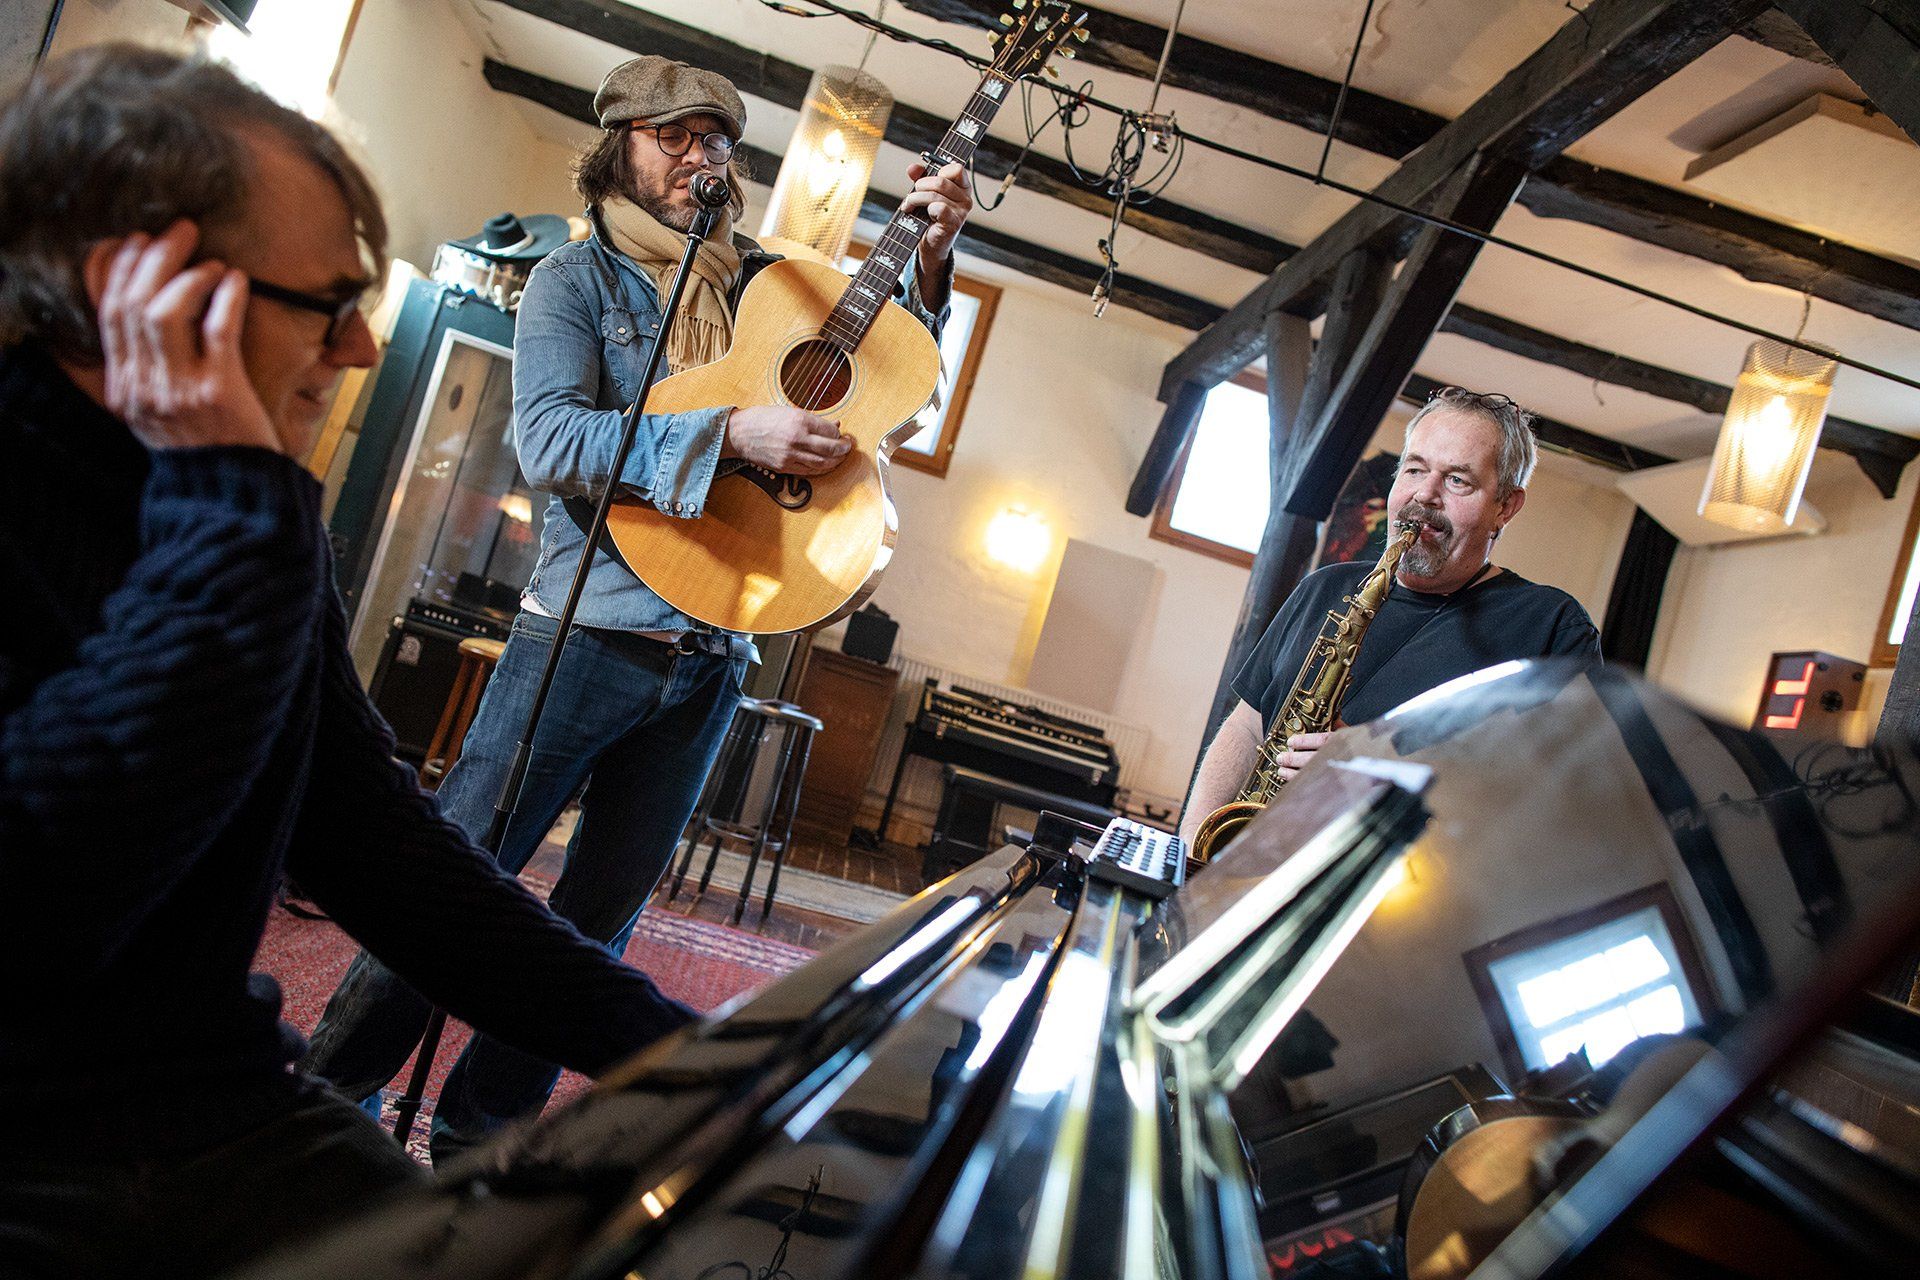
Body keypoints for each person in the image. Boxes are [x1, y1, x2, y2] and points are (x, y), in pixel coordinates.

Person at [0, 45, 701, 1279]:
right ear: (146, 291)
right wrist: (232, 500)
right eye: (329, 305)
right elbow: (38, 904)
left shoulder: (240, 506)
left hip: (209, 1111)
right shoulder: (228, 505)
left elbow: (377, 843)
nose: (364, 350)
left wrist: (691, 1053)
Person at [303, 53, 973, 1160]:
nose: (701, 156)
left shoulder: (771, 279)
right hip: (585, 629)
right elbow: (551, 441)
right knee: (452, 877)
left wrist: (934, 261)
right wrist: (728, 434)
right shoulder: (580, 281)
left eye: (718, 139)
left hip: (716, 648)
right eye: (676, 136)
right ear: (619, 144)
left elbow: (892, 369)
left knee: (600, 915)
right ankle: (332, 1103)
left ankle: (488, 1140)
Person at [1181, 388, 1601, 846]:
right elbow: (1247, 725)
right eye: (1415, 469)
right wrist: (1190, 855)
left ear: (1505, 507)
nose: (1425, 494)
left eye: (1458, 480)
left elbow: (1564, 802)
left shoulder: (1551, 626)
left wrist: (1390, 774)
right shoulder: (1325, 586)